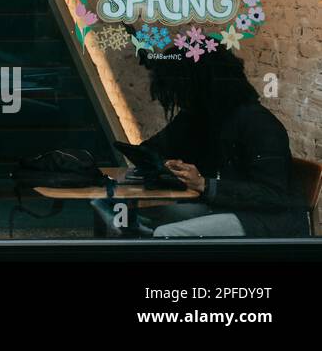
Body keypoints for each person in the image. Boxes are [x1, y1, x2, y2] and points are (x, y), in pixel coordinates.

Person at [108, 46, 305, 238]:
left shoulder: (259, 124)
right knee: (127, 220)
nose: (179, 101)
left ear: (201, 86)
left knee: (165, 233)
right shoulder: (200, 116)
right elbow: (156, 147)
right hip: (223, 207)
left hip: (264, 220)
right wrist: (162, 164)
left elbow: (272, 196)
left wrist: (205, 184)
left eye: (182, 91)